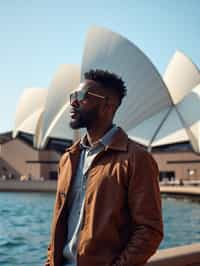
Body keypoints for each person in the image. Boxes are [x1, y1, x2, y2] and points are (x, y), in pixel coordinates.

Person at [45, 69, 163, 266]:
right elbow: (59, 224)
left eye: (82, 96)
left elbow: (149, 230)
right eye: (72, 96)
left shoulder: (136, 159)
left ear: (108, 105)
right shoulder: (68, 158)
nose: (73, 102)